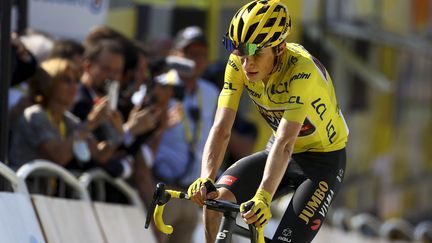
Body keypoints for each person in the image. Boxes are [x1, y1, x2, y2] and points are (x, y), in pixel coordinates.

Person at [188, 1, 349, 243]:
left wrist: (263, 197)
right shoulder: (238, 62)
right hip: (278, 152)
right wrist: (206, 177)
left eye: (256, 52)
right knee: (214, 201)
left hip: (321, 162)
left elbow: (285, 141)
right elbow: (221, 127)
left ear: (280, 49)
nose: (246, 62)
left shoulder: (303, 72)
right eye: (239, 50)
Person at [150, 26, 219, 243]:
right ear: (175, 54)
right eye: (189, 53)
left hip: (191, 193)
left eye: (201, 54)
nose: (196, 60)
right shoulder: (160, 85)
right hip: (162, 187)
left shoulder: (211, 92)